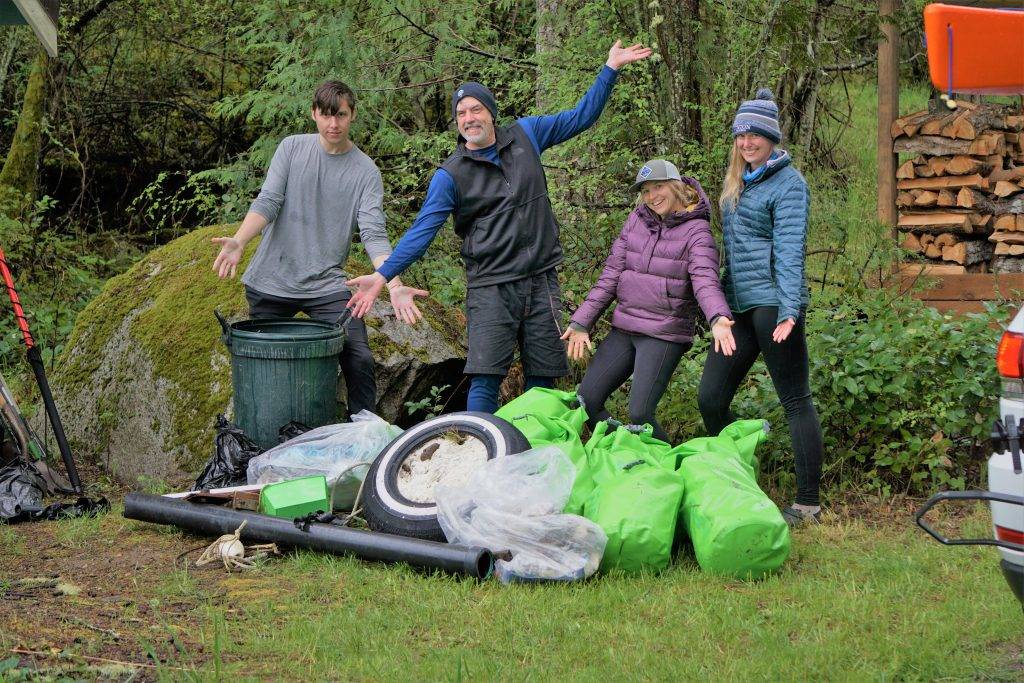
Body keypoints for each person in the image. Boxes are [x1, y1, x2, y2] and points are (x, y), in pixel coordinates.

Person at [345, 41, 653, 413]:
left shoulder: (527, 135)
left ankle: (538, 453)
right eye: (461, 113)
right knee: (485, 376)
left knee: (544, 376)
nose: (469, 117)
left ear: (491, 113)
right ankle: (484, 452)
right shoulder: (451, 175)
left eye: (476, 108)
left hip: (541, 280)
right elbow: (421, 232)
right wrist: (382, 277)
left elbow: (581, 117)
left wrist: (610, 69)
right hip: (491, 286)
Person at [211, 80, 427, 417]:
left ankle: (365, 438)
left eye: (341, 115)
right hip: (272, 281)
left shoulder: (366, 172)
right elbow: (268, 202)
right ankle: (259, 439)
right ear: (314, 114)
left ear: (352, 114)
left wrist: (394, 284)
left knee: (359, 358)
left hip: (327, 286)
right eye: (326, 115)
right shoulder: (292, 148)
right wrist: (240, 240)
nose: (333, 124)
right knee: (264, 364)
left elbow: (374, 234)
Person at [696, 88, 825, 525]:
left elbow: (790, 251)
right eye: (740, 135)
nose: (747, 142)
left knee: (795, 400)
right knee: (711, 398)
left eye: (755, 135)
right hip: (738, 307)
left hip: (773, 306)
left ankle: (808, 504)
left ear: (771, 138)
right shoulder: (739, 179)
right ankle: (742, 473)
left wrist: (791, 309)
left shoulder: (789, 184)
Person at [562, 160, 735, 443]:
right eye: (645, 191)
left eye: (658, 187)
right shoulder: (637, 221)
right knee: (587, 401)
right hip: (626, 326)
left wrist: (717, 317)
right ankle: (627, 451)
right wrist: (581, 321)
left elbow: (705, 279)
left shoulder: (697, 231)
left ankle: (668, 466)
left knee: (640, 413)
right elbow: (611, 276)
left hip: (664, 333)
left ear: (676, 186)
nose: (652, 197)